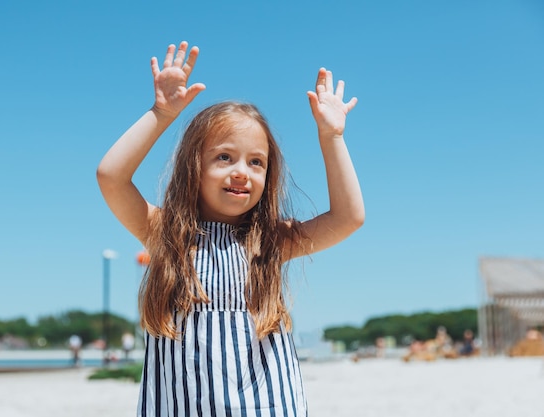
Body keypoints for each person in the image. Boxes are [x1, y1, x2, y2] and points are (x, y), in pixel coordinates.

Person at [97, 41, 364, 417]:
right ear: (193, 166)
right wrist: (160, 113)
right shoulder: (167, 233)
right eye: (224, 157)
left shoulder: (269, 240)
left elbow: (348, 217)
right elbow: (111, 176)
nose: (241, 170)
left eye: (256, 162)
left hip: (268, 406)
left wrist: (332, 138)